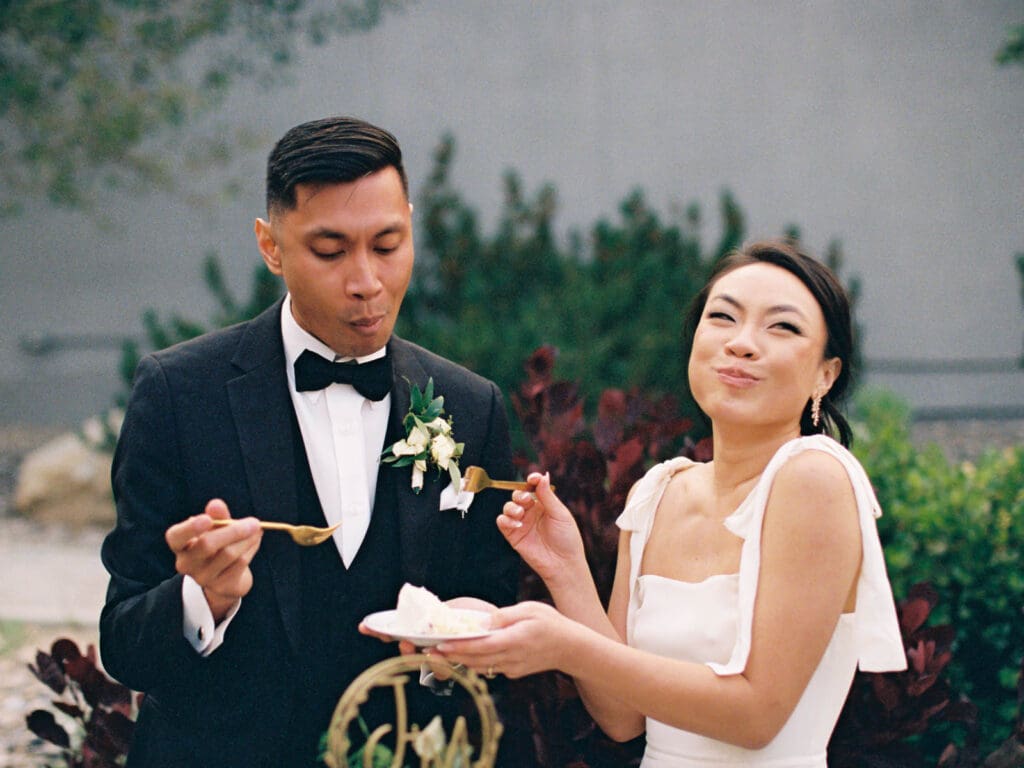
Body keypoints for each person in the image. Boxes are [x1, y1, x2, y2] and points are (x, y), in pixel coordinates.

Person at [99, 116, 519, 768]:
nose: (366, 281)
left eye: (388, 244)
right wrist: (201, 597)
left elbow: (497, 618)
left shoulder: (472, 406)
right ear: (271, 246)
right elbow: (123, 644)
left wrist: (462, 640)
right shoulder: (178, 394)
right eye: (330, 251)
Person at [433, 239, 908, 766]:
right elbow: (620, 716)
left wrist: (563, 644)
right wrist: (565, 569)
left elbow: (756, 716)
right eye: (723, 318)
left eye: (783, 327)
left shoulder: (814, 478)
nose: (743, 343)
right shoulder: (658, 493)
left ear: (826, 373)